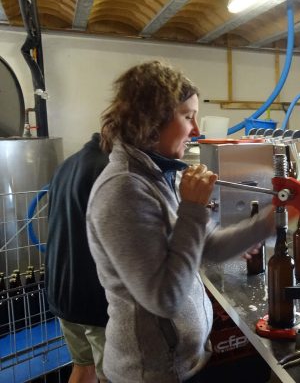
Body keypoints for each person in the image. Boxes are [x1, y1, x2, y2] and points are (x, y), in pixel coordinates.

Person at [86, 60, 274, 382]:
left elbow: (210, 246)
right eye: (188, 117)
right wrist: (193, 209)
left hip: (184, 362)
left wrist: (275, 219)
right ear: (153, 119)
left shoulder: (158, 175)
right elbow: (164, 299)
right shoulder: (124, 190)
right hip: (153, 373)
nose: (196, 130)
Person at [46, 132, 109, 383]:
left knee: (83, 368)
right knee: (111, 377)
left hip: (62, 291)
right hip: (95, 298)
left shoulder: (67, 164)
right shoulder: (110, 171)